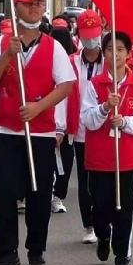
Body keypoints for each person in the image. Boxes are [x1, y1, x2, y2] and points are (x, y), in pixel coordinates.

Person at [0, 0, 75, 265]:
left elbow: (65, 85)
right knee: (5, 190)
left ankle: (36, 249)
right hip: (7, 130)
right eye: (28, 4)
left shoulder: (54, 47)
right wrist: (7, 56)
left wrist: (39, 108)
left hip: (41, 133)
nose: (35, 8)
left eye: (39, 3)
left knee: (39, 193)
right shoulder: (1, 44)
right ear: (16, 8)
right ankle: (7, 252)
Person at [81, 31, 133, 265]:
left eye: (120, 49)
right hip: (100, 156)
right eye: (110, 49)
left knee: (124, 208)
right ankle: (102, 235)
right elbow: (87, 120)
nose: (116, 54)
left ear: (128, 53)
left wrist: (125, 122)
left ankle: (122, 255)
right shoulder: (95, 85)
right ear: (105, 54)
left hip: (127, 158)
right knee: (100, 206)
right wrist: (103, 108)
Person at [65, 9, 104, 244]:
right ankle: (88, 225)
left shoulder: (111, 62)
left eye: (94, 34)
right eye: (86, 35)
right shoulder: (70, 62)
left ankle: (104, 222)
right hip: (80, 131)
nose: (91, 40)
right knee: (85, 180)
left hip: (106, 130)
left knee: (104, 181)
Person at [49, 26, 77, 214]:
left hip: (67, 121)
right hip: (46, 119)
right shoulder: (47, 61)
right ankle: (49, 194)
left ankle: (57, 195)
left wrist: (61, 127)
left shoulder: (73, 63)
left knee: (64, 160)